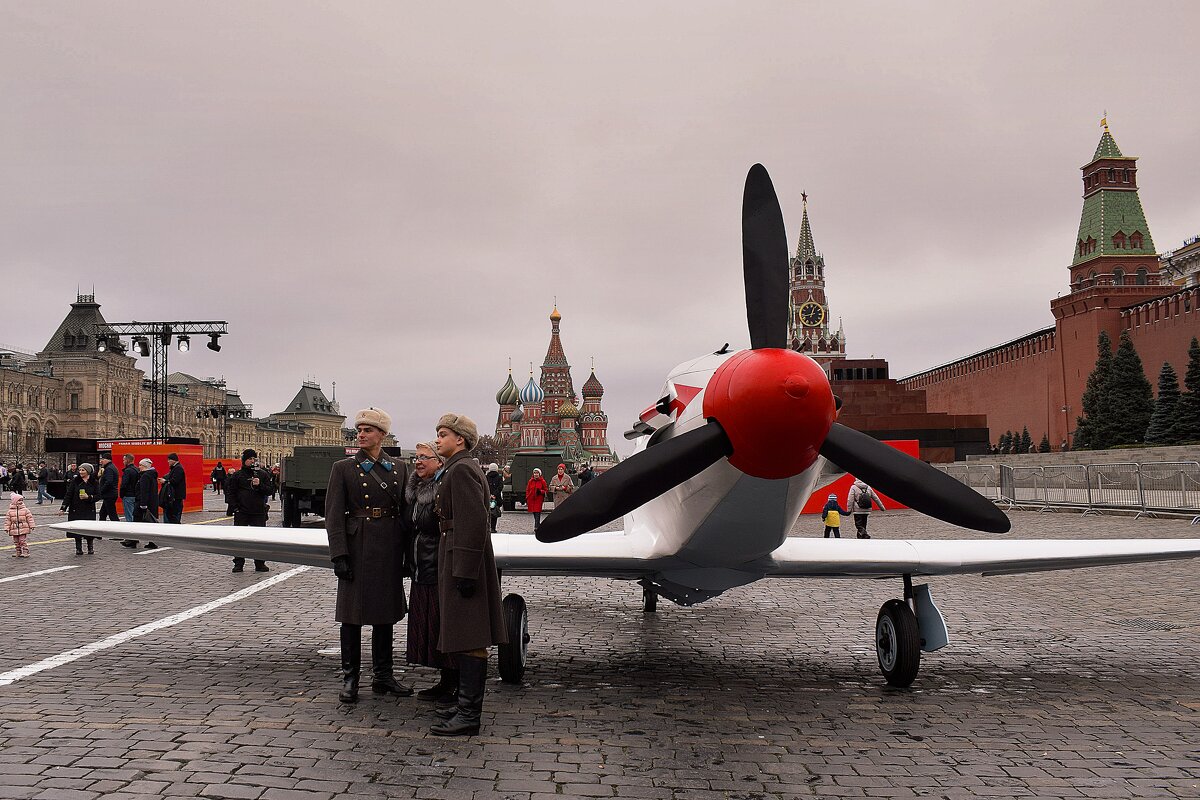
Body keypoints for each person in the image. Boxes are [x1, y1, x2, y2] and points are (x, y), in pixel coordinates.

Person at [325, 408, 412, 703]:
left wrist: (407, 556)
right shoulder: (344, 468)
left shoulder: (399, 468)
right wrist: (339, 554)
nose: (361, 434)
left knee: (384, 616)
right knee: (351, 617)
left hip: (388, 546)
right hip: (357, 545)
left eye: (368, 430)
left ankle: (383, 676)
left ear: (382, 436)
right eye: (359, 430)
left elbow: (405, 514)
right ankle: (350, 678)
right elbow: (334, 516)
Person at [429, 413, 507, 737]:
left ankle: (469, 714)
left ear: (459, 439)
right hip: (458, 556)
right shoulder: (459, 467)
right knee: (463, 634)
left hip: (463, 560)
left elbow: (475, 522)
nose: (437, 440)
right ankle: (464, 703)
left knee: (471, 636)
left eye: (443, 434)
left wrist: (464, 571)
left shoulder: (460, 469)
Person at [405, 441, 457, 702]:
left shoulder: (443, 488)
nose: (418, 462)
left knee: (442, 625)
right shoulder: (417, 489)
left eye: (425, 457)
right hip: (421, 566)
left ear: (439, 462)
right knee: (429, 625)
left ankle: (452, 682)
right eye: (416, 457)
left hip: (438, 566)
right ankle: (444, 680)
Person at [225, 449, 273, 573]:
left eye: (254, 459)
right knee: (240, 539)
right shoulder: (238, 475)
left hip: (258, 512)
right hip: (242, 512)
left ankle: (260, 563)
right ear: (244, 460)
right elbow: (231, 493)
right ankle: (239, 563)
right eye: (250, 459)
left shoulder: (262, 474)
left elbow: (269, 490)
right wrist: (235, 507)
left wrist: (259, 485)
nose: (252, 461)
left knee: (259, 539)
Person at [60, 462, 99, 554]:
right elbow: (68, 495)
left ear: (88, 471)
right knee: (76, 529)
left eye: (83, 470)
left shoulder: (94, 482)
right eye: (80, 470)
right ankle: (78, 548)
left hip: (89, 509)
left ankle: (90, 547)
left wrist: (89, 497)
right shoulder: (75, 481)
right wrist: (63, 507)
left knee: (89, 529)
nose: (80, 472)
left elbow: (98, 495)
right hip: (76, 508)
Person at [134, 458, 160, 549]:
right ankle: (151, 541)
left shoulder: (145, 476)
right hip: (152, 502)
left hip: (143, 502)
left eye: (140, 465)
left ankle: (133, 540)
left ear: (145, 466)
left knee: (137, 521)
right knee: (150, 522)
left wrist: (143, 504)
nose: (139, 467)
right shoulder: (152, 475)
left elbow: (144, 491)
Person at [5, 492, 34, 558]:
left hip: (23, 527)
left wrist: (32, 525)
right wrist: (7, 528)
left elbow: (30, 518)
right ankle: (18, 551)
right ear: (14, 501)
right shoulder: (10, 511)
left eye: (21, 500)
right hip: (14, 528)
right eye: (19, 500)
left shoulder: (25, 510)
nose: (20, 502)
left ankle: (25, 551)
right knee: (16, 541)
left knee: (22, 541)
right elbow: (8, 520)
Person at [160, 453, 186, 524]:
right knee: (172, 514)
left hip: (176, 496)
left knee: (174, 515)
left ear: (173, 460)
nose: (168, 461)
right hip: (175, 496)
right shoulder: (175, 468)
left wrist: (165, 481)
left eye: (169, 460)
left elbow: (175, 481)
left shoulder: (178, 468)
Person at [97, 455, 121, 522]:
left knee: (112, 514)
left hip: (109, 495)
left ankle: (117, 528)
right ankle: (102, 527)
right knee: (102, 513)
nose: (101, 461)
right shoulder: (111, 467)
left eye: (103, 459)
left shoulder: (109, 468)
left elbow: (109, 481)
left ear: (108, 460)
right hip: (110, 494)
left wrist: (101, 490)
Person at [485, 463, 503, 533]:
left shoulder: (486, 477)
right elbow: (500, 487)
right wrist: (494, 494)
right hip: (496, 498)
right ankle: (493, 528)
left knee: (488, 513)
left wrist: (489, 494)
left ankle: (488, 527)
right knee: (494, 513)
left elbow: (485, 486)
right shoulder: (499, 477)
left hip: (487, 497)